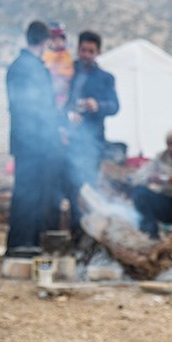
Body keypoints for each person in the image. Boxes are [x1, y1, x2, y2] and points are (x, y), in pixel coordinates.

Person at [4, 20, 65, 255]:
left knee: (31, 193)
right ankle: (22, 244)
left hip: (31, 143)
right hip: (34, 144)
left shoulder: (21, 66)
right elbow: (37, 110)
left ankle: (26, 243)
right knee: (28, 194)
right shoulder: (29, 68)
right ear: (45, 40)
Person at [63, 30, 119, 235]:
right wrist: (66, 115)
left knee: (87, 188)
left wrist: (98, 105)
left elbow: (114, 106)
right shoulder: (67, 72)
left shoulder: (105, 78)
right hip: (65, 139)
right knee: (66, 188)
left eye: (91, 51)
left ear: (98, 52)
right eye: (83, 50)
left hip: (91, 143)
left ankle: (84, 235)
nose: (86, 55)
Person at [42, 21, 74, 110]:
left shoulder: (66, 56)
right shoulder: (45, 55)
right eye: (53, 39)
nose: (57, 42)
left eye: (59, 38)